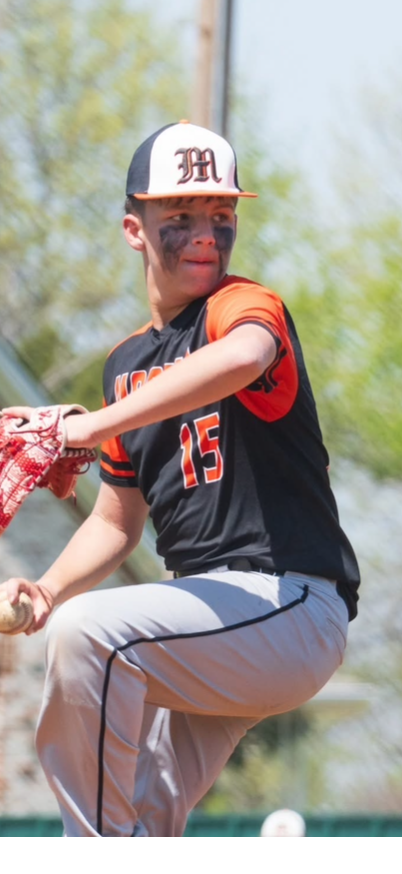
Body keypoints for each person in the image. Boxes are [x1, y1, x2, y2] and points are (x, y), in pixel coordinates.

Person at [0, 120, 360, 837]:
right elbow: (115, 521)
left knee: (91, 636)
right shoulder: (125, 365)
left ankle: (95, 855)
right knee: (146, 808)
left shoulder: (240, 308)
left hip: (288, 603)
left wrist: (86, 428)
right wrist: (47, 589)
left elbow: (244, 358)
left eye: (221, 214)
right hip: (203, 619)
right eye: (181, 216)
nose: (205, 234)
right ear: (135, 229)